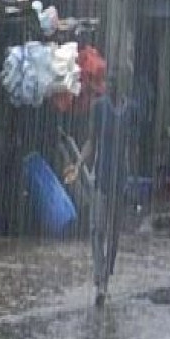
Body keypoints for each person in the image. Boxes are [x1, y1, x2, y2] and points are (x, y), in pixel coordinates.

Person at [65, 80, 132, 306]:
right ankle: (100, 280)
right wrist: (79, 163)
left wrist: (130, 178)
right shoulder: (99, 108)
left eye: (117, 80)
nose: (112, 85)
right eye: (110, 81)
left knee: (113, 234)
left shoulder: (128, 111)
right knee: (96, 230)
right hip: (102, 179)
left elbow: (130, 146)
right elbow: (91, 142)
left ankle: (106, 277)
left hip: (120, 180)